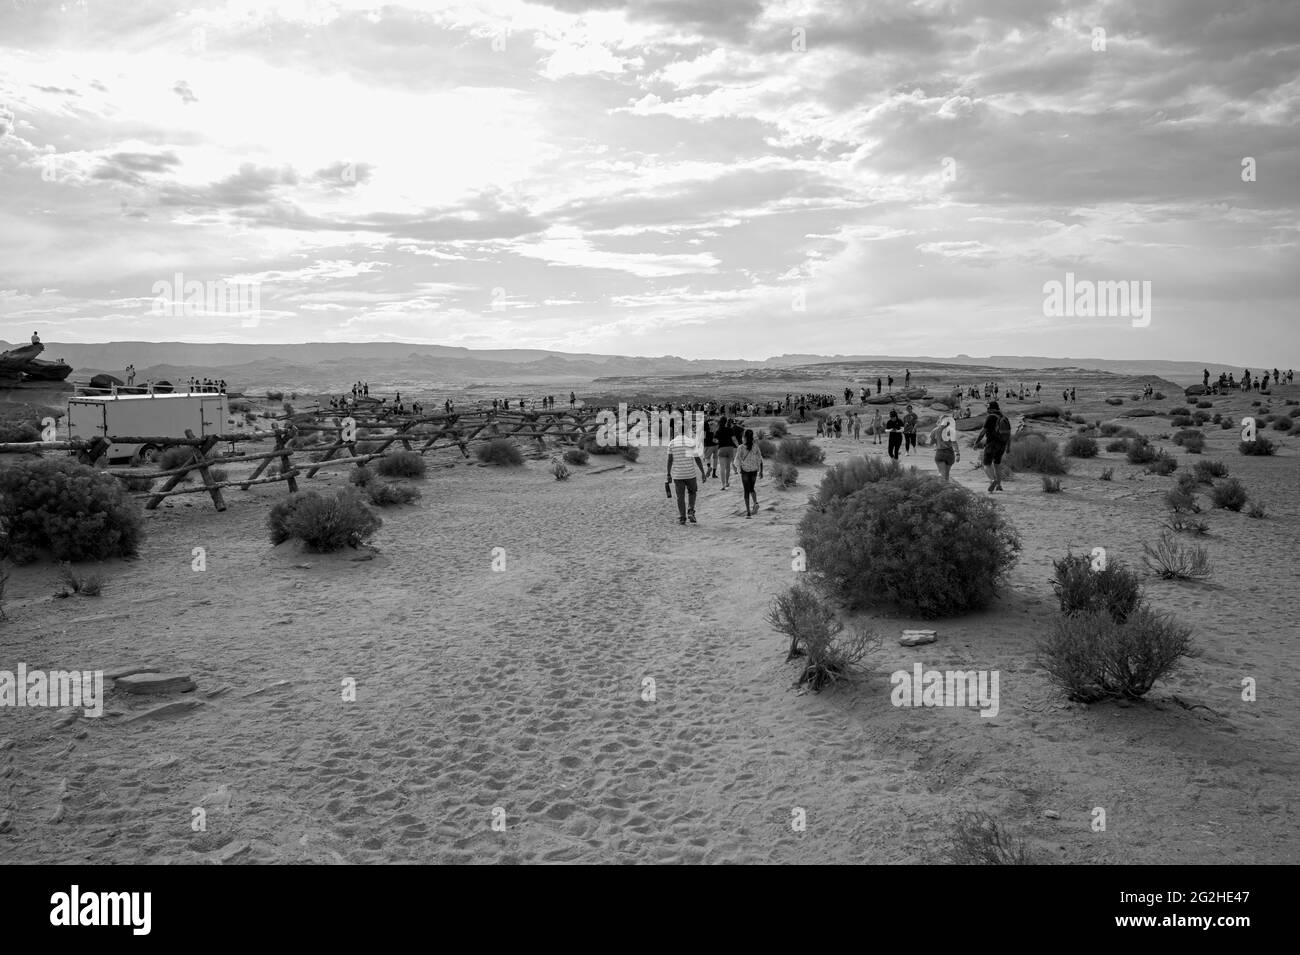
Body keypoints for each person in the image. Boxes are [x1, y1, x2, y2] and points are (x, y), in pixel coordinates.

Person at [666, 419, 707, 525]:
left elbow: (670, 460)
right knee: (692, 492)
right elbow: (697, 459)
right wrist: (702, 472)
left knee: (680, 496)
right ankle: (690, 511)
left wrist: (668, 473)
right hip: (690, 474)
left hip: (678, 475)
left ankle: (682, 517)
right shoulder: (691, 442)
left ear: (678, 431)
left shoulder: (672, 443)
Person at [972, 399, 1011, 493]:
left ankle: (992, 480)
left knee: (986, 464)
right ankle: (999, 485)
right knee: (997, 465)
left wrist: (976, 442)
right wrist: (1008, 447)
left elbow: (983, 432)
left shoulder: (991, 417)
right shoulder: (1004, 418)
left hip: (991, 444)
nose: (987, 409)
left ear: (991, 408)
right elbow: (1009, 434)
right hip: (1002, 445)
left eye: (988, 407)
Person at [735, 429, 764, 518]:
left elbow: (737, 460)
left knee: (746, 491)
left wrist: (738, 469)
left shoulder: (740, 447)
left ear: (744, 437)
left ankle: (748, 513)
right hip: (754, 471)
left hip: (745, 472)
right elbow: (760, 459)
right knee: (751, 488)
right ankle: (755, 503)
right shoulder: (755, 446)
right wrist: (761, 471)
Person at [929, 415, 960, 481]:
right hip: (950, 453)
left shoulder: (935, 430)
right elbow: (954, 443)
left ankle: (941, 486)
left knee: (942, 473)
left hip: (940, 452)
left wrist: (937, 441)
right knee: (946, 474)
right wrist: (957, 454)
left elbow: (931, 442)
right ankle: (946, 487)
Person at [716, 416, 738, 490]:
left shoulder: (718, 430)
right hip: (730, 448)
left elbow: (715, 440)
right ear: (726, 422)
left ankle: (723, 485)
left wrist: (719, 441)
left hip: (721, 449)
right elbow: (734, 439)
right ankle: (727, 482)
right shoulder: (730, 429)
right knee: (728, 467)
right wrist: (738, 446)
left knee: (722, 467)